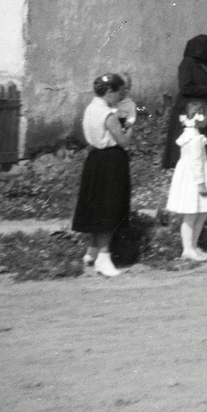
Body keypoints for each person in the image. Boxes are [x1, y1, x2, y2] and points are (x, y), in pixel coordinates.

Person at [71, 73, 133, 277]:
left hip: (95, 159)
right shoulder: (109, 114)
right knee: (109, 208)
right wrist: (130, 124)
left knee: (96, 206)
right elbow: (124, 142)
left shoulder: (91, 108)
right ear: (109, 92)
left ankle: (92, 250)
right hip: (111, 161)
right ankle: (104, 257)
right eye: (118, 92)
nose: (120, 96)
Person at [167, 99, 207, 261]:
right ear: (198, 117)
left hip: (192, 175)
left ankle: (194, 245)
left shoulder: (190, 133)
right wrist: (201, 184)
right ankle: (188, 249)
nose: (206, 119)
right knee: (192, 214)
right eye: (205, 116)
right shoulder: (194, 138)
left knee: (202, 211)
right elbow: (196, 162)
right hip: (194, 179)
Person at [162, 35, 207, 173]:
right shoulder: (187, 64)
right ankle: (189, 175)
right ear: (200, 49)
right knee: (192, 143)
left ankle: (206, 172)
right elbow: (185, 88)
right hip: (191, 109)